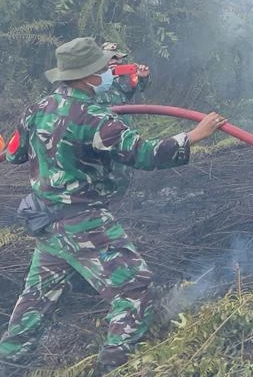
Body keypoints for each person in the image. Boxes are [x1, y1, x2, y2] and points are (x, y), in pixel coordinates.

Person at [0, 37, 227, 375]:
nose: (108, 73)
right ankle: (113, 368)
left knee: (36, 299)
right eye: (103, 69)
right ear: (89, 77)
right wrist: (193, 136)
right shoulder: (96, 119)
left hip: (47, 221)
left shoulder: (36, 109)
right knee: (135, 291)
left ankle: (9, 364)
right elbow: (146, 154)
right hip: (84, 223)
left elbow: (14, 153)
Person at [98, 42, 151, 106]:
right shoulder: (93, 75)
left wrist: (143, 77)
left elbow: (140, 90)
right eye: (109, 58)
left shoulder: (129, 75)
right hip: (98, 114)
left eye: (117, 58)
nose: (113, 61)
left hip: (123, 114)